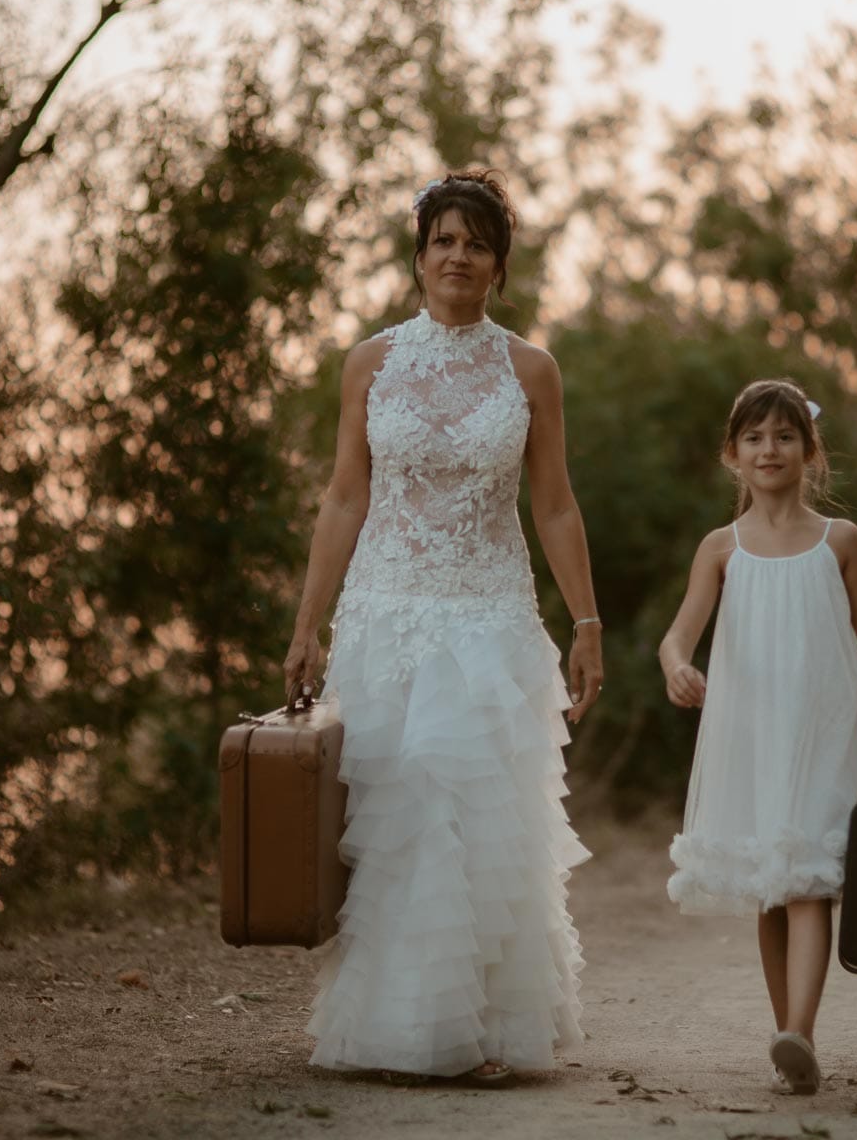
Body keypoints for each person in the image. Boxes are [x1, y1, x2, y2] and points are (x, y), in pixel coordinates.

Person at [283, 169, 604, 1085]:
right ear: (419, 258)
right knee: (400, 816)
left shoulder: (531, 370)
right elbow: (346, 496)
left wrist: (586, 621)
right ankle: (395, 1029)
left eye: (476, 243)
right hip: (385, 615)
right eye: (443, 241)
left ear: (499, 265)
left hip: (490, 616)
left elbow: (555, 506)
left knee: (475, 819)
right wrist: (308, 625)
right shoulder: (370, 364)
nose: (458, 256)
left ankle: (487, 1034)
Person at [656, 378, 857, 1095]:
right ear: (732, 454)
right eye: (756, 437)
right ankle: (789, 1042)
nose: (771, 449)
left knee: (807, 882)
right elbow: (677, 638)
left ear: (810, 451)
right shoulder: (720, 548)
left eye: (785, 436)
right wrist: (679, 669)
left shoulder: (841, 542)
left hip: (821, 727)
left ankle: (799, 1030)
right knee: (772, 885)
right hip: (749, 730)